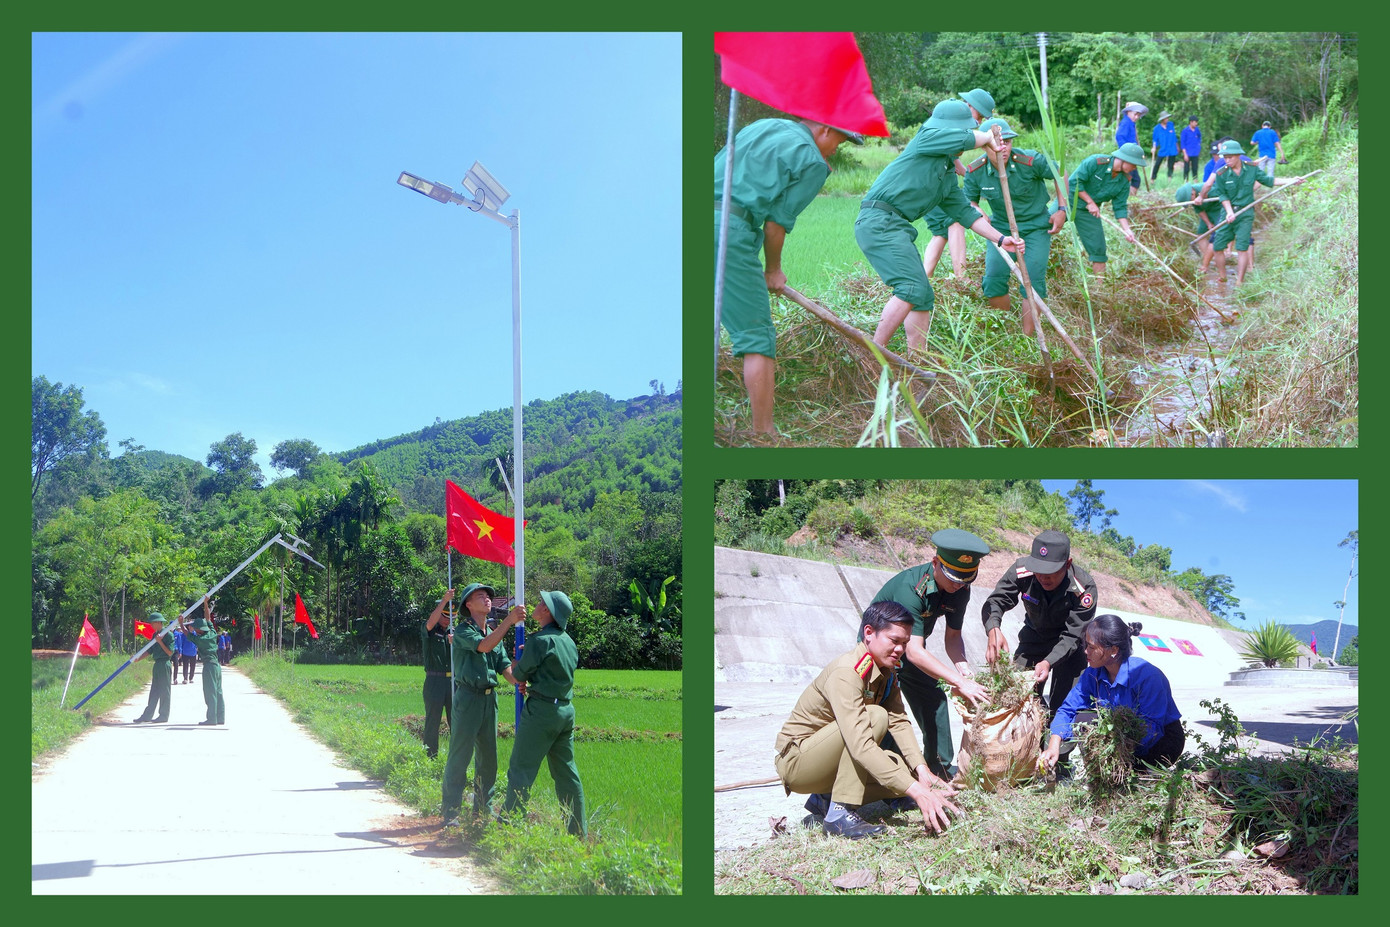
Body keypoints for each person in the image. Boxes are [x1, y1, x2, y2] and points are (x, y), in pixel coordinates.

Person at [715, 116, 865, 437]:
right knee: (757, 337)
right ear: (824, 128)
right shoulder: (811, 160)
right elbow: (775, 225)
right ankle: (765, 435)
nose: (834, 151)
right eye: (838, 142)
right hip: (726, 232)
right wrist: (773, 270)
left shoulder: (764, 125)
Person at [776, 601, 963, 839]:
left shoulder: (886, 669)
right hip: (799, 763)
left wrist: (921, 770)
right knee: (875, 716)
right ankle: (838, 814)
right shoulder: (847, 672)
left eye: (905, 643)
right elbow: (860, 745)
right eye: (894, 640)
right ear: (868, 633)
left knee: (905, 775)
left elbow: (898, 720)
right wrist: (917, 791)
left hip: (831, 760)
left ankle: (825, 798)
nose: (900, 649)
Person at [857, 99, 1023, 353]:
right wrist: (988, 136)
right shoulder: (925, 139)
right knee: (910, 287)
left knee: (923, 295)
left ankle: (918, 359)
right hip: (879, 221)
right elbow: (963, 139)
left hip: (895, 226)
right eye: (963, 130)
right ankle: (874, 353)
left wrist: (1000, 239)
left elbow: (966, 213)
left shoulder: (945, 175)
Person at [866, 529, 992, 778]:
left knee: (934, 699)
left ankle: (938, 769)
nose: (958, 585)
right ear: (935, 563)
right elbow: (914, 651)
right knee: (883, 711)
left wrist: (964, 671)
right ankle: (891, 776)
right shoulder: (911, 589)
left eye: (965, 580)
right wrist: (959, 683)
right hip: (880, 652)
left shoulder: (960, 589)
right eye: (954, 578)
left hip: (909, 649)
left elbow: (953, 637)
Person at [962, 118, 1068, 337]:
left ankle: (1028, 337)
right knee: (993, 279)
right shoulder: (975, 171)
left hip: (1036, 227)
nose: (1003, 148)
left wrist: (1062, 209)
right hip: (1001, 230)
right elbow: (968, 201)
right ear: (983, 146)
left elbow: (1061, 172)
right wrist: (976, 209)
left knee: (1033, 280)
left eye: (1007, 142)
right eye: (995, 143)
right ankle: (1006, 334)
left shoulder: (1029, 160)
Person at [1040, 615, 1184, 774]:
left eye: (1092, 647)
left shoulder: (1147, 676)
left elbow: (1151, 729)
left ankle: (1128, 772)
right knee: (1083, 719)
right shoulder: (1092, 674)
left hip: (1160, 742)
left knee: (1128, 779)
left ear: (1113, 650)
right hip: (1118, 736)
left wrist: (1114, 755)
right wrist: (1054, 745)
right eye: (1086, 645)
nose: (1085, 651)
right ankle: (1103, 772)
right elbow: (1068, 709)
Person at [981, 530, 1098, 719]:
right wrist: (993, 629)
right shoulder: (1021, 571)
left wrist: (1048, 662)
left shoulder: (1084, 588)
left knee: (1065, 709)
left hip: (1070, 647)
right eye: (1039, 571)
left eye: (1050, 572)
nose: (1043, 578)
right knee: (1015, 698)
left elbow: (1073, 635)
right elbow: (996, 601)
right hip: (1034, 638)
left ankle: (1055, 736)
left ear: (1067, 564)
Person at [501, 591, 587, 837]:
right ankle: (577, 832)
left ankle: (510, 827)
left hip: (541, 712)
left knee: (521, 769)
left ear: (547, 611)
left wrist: (518, 660)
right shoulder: (569, 642)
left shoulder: (538, 641)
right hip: (565, 711)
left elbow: (518, 675)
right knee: (566, 774)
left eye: (541, 603)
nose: (537, 605)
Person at [441, 582, 525, 825]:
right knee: (460, 756)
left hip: (489, 700)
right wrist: (509, 620)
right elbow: (484, 646)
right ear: (468, 604)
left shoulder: (492, 633)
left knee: (488, 759)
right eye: (480, 596)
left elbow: (505, 669)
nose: (487, 599)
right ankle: (451, 811)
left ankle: (483, 810)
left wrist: (519, 679)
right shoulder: (463, 631)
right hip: (468, 698)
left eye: (488, 596)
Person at [920, 88, 997, 288]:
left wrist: (970, 174)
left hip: (934, 183)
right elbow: (957, 160)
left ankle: (924, 277)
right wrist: (973, 174)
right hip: (931, 183)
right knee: (955, 221)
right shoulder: (949, 123)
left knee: (941, 232)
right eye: (979, 116)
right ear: (969, 106)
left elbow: (954, 161)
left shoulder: (953, 124)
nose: (978, 121)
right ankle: (961, 277)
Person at [1199, 139, 1277, 284]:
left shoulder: (1251, 169)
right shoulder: (1221, 173)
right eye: (1225, 157)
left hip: (1245, 213)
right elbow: (1223, 195)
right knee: (1218, 246)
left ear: (1238, 156)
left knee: (1242, 247)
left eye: (1230, 157)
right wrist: (1229, 212)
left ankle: (1239, 281)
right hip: (1227, 213)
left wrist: (1292, 180)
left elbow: (1268, 181)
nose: (1227, 160)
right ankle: (1223, 276)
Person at [1064, 143, 1148, 276]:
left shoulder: (1124, 180)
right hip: (1067, 202)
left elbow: (1120, 206)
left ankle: (1099, 286)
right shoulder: (1095, 162)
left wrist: (1127, 229)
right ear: (1124, 159)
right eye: (1133, 164)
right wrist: (1090, 202)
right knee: (1044, 224)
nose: (1134, 168)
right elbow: (1074, 182)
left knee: (1099, 250)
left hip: (1088, 213)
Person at [421, 591, 456, 759]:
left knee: (456, 722)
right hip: (434, 681)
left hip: (453, 682)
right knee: (432, 722)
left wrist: (456, 642)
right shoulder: (430, 629)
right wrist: (444, 600)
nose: (448, 620)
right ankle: (430, 758)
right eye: (445, 615)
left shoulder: (454, 632)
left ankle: (456, 760)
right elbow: (430, 623)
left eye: (451, 616)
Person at [131, 612, 175, 724]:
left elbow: (170, 652)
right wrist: (138, 658)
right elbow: (150, 650)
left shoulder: (168, 635)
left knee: (164, 691)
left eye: (152, 623)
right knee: (154, 691)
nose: (151, 625)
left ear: (159, 622)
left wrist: (160, 642)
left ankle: (163, 715)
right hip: (157, 665)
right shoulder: (155, 635)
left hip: (164, 663)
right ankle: (147, 715)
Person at [187, 596, 224, 725]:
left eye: (195, 628)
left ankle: (212, 719)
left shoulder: (201, 640)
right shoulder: (212, 633)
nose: (193, 629)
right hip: (217, 666)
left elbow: (188, 635)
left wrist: (181, 624)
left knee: (210, 692)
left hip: (209, 667)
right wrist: (205, 603)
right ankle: (220, 718)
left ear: (199, 629)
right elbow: (207, 618)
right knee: (218, 691)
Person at [1174, 181, 1222, 261]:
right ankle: (1208, 258)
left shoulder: (1207, 189)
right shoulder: (1193, 200)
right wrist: (1208, 223)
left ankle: (1220, 254)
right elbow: (1199, 210)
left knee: (1219, 232)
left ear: (1192, 194)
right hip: (1206, 211)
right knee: (1201, 234)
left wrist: (1205, 197)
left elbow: (1223, 198)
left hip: (1218, 208)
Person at [1115, 101, 1147, 191]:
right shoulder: (1126, 123)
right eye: (1135, 114)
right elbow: (1119, 137)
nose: (1136, 117)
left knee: (1132, 179)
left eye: (1138, 115)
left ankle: (1130, 196)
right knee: (1133, 180)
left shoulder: (1131, 123)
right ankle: (1129, 197)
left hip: (1130, 156)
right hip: (1127, 157)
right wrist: (1126, 152)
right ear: (1128, 112)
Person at [1150, 111, 1180, 180]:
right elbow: (1155, 140)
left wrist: (1177, 146)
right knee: (1157, 164)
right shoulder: (1157, 129)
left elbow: (1174, 137)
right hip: (1163, 148)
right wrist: (1154, 147)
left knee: (1171, 164)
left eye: (1168, 118)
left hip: (1172, 148)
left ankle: (1170, 177)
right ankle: (1153, 178)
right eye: (1166, 118)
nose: (1167, 119)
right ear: (1162, 119)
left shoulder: (1171, 125)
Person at [1180, 116, 1203, 181]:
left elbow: (1199, 137)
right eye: (1195, 122)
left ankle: (1195, 181)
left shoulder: (1197, 130)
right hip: (1188, 152)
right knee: (1186, 168)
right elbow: (1182, 143)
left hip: (1195, 152)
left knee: (1195, 168)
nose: (1196, 124)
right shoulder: (1185, 131)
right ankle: (1185, 181)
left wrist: (1198, 145)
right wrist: (1185, 154)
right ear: (1191, 122)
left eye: (1197, 122)